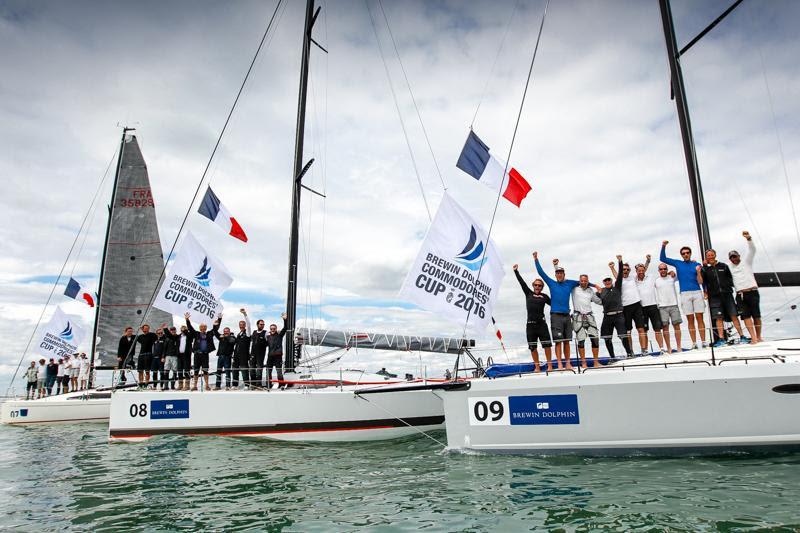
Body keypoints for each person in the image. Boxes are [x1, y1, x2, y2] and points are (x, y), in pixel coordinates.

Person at [534, 252, 579, 370]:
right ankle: (559, 364)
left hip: (566, 316)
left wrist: (595, 285)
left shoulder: (570, 283)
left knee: (567, 341)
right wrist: (536, 259)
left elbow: (583, 282)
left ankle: (568, 363)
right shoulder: (551, 283)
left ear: (564, 275)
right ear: (555, 275)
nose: (559, 275)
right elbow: (541, 273)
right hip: (556, 316)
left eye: (561, 273)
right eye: (557, 273)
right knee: (558, 341)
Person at [660, 241, 707, 349]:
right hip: (684, 293)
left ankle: (704, 341)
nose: (685, 255)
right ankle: (694, 343)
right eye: (683, 253)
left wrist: (699, 272)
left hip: (696, 292)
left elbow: (700, 282)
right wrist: (664, 246)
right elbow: (663, 258)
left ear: (690, 254)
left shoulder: (697, 264)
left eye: (687, 253)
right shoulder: (678, 263)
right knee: (690, 319)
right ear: (681, 255)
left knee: (700, 317)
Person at [698, 249, 748, 346]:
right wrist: (705, 291)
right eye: (708, 255)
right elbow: (703, 282)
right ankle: (721, 339)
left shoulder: (724, 266)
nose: (711, 256)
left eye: (712, 255)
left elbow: (731, 278)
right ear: (706, 257)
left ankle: (742, 336)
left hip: (727, 294)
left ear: (715, 255)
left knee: (733, 315)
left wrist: (728, 286)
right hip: (714, 296)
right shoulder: (705, 269)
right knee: (718, 317)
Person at [513, 263, 552, 372]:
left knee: (547, 346)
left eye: (540, 285)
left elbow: (555, 304)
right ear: (533, 285)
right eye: (536, 285)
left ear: (542, 287)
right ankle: (537, 367)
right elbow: (522, 283)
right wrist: (516, 271)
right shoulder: (528, 293)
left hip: (542, 325)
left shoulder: (544, 296)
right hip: (530, 325)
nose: (537, 287)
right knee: (533, 347)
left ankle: (549, 366)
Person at [594, 256, 633, 359]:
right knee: (607, 338)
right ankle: (612, 357)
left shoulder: (617, 287)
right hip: (607, 317)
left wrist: (620, 261)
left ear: (611, 280)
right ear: (603, 282)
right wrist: (595, 288)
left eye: (608, 280)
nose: (607, 282)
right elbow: (590, 297)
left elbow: (620, 274)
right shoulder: (601, 291)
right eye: (605, 281)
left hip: (619, 315)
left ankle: (629, 354)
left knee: (623, 336)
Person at [729, 230, 762, 343]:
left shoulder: (747, 262)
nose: (734, 259)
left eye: (735, 256)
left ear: (739, 256)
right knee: (746, 317)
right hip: (740, 294)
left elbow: (752, 250)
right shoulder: (729, 268)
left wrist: (749, 239)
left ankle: (759, 336)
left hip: (752, 292)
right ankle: (753, 337)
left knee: (756, 315)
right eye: (731, 257)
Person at [610, 259, 648, 356]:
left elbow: (642, 271)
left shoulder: (633, 278)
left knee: (641, 329)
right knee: (628, 331)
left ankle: (644, 350)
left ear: (630, 270)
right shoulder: (617, 281)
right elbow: (617, 276)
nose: (625, 271)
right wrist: (612, 268)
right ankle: (630, 352)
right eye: (623, 269)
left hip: (637, 306)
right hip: (625, 308)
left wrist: (647, 261)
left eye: (627, 269)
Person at [634, 257, 666, 354]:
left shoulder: (651, 277)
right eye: (639, 270)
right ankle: (645, 351)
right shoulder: (634, 280)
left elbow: (660, 274)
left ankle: (662, 349)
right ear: (636, 271)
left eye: (642, 270)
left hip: (653, 306)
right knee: (644, 330)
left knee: (657, 329)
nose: (641, 272)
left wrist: (647, 261)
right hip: (642, 308)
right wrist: (646, 262)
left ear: (645, 270)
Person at [571, 274, 601, 368]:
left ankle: (596, 362)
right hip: (578, 317)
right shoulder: (574, 289)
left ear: (588, 281)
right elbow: (564, 280)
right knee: (581, 340)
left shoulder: (590, 290)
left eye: (585, 281)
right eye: (582, 281)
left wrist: (602, 293)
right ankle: (583, 363)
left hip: (589, 316)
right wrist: (595, 284)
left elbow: (598, 301)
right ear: (579, 281)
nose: (583, 282)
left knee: (595, 339)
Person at [185, 313, 220, 391]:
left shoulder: (209, 334)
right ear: (200, 328)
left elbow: (215, 328)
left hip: (205, 355)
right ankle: (195, 386)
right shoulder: (196, 334)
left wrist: (219, 319)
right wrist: (187, 320)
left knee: (205, 371)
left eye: (204, 327)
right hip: (197, 354)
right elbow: (190, 328)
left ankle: (207, 385)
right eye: (202, 327)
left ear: (206, 328)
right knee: (196, 371)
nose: (203, 328)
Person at [655, 263, 682, 353]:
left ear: (667, 269)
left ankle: (679, 347)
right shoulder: (656, 281)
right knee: (665, 328)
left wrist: (673, 272)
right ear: (658, 271)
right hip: (662, 307)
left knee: (677, 326)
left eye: (664, 269)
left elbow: (681, 274)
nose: (663, 270)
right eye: (661, 269)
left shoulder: (672, 277)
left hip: (674, 305)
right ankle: (669, 348)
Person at [265, 313, 288, 389]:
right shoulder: (267, 337)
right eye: (271, 329)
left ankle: (281, 384)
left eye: (274, 328)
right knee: (268, 372)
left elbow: (285, 328)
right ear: (270, 329)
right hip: (270, 356)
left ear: (276, 329)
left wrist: (285, 319)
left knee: (279, 372)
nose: (273, 330)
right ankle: (268, 384)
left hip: (278, 356)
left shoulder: (279, 335)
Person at [232, 309, 251, 389]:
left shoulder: (247, 333)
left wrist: (245, 314)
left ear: (245, 325)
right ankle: (235, 385)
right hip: (236, 356)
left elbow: (249, 325)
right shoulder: (238, 334)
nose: (241, 326)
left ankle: (247, 385)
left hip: (244, 356)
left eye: (243, 324)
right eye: (240, 325)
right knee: (234, 371)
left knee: (244, 371)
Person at [214, 322, 235, 390]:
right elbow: (215, 332)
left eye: (227, 331)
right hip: (220, 357)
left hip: (227, 357)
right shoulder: (221, 337)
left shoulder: (232, 337)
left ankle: (228, 386)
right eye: (224, 331)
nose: (225, 332)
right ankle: (217, 386)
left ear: (229, 332)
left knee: (227, 372)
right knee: (218, 372)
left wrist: (226, 336)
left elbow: (232, 341)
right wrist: (214, 325)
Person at [250, 318, 269, 387]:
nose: (262, 325)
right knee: (251, 369)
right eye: (261, 324)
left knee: (259, 370)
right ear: (257, 325)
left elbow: (268, 342)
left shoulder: (265, 332)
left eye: (263, 324)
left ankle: (258, 384)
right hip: (252, 354)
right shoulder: (254, 332)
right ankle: (253, 384)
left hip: (260, 355)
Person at [176, 324, 193, 391]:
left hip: (186, 355)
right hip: (180, 355)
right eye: (182, 329)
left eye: (184, 329)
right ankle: (180, 385)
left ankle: (187, 385)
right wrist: (165, 329)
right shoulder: (179, 336)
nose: (183, 330)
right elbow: (171, 336)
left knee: (187, 370)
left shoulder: (189, 336)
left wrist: (186, 331)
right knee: (179, 370)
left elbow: (189, 335)